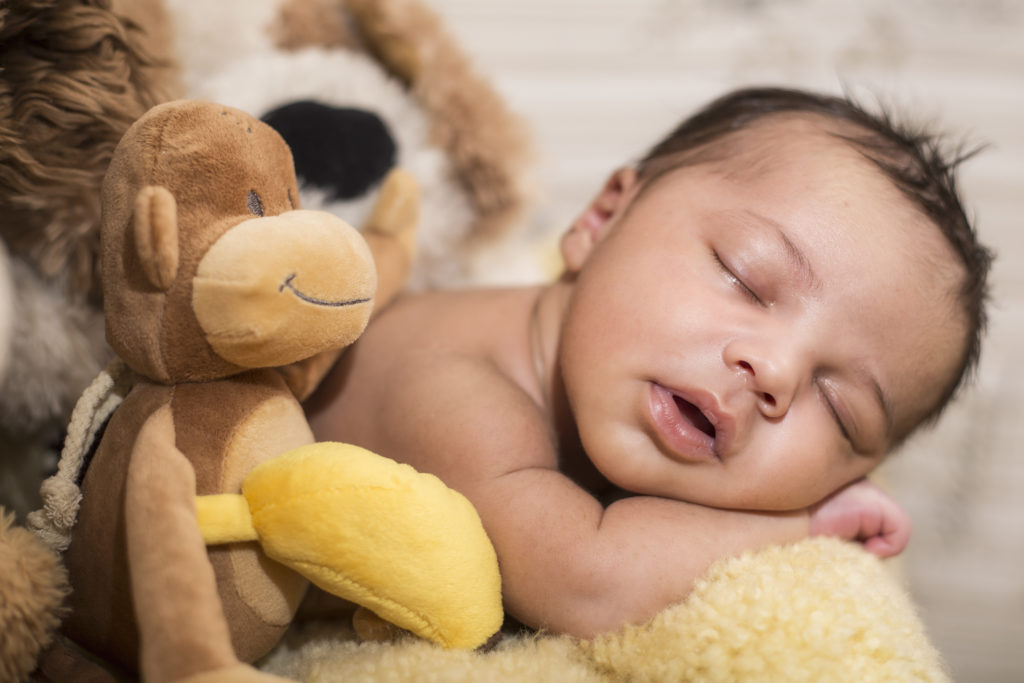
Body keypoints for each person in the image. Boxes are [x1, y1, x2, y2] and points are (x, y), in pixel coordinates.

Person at [305, 87, 993, 638]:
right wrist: (809, 522)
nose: (775, 371)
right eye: (746, 277)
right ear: (601, 220)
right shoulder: (459, 387)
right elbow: (584, 575)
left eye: (841, 409)